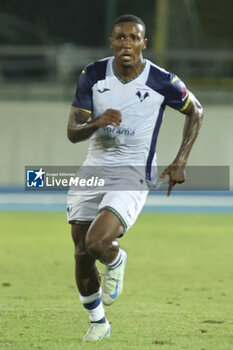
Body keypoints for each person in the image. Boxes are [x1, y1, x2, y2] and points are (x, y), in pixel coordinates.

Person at [67, 14, 203, 341]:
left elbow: (196, 111)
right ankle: (98, 323)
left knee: (97, 243)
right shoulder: (93, 75)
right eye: (120, 38)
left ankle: (117, 259)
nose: (126, 44)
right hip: (95, 166)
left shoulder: (162, 81)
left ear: (144, 43)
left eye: (133, 38)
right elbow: (72, 133)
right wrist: (96, 124)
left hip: (133, 170)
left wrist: (181, 158)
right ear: (111, 42)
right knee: (82, 253)